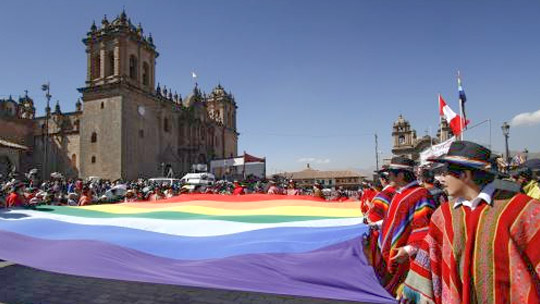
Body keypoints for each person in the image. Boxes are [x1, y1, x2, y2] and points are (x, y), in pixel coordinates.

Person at [401, 141, 540, 303]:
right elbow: (431, 257)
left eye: (446, 172)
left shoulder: (523, 209)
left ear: (465, 175)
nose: (442, 178)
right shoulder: (443, 215)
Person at [376, 156, 436, 297]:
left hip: (406, 260)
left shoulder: (421, 195)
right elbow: (392, 223)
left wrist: (409, 249)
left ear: (401, 175)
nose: (388, 177)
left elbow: (425, 229)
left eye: (390, 174)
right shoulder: (398, 194)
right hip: (392, 256)